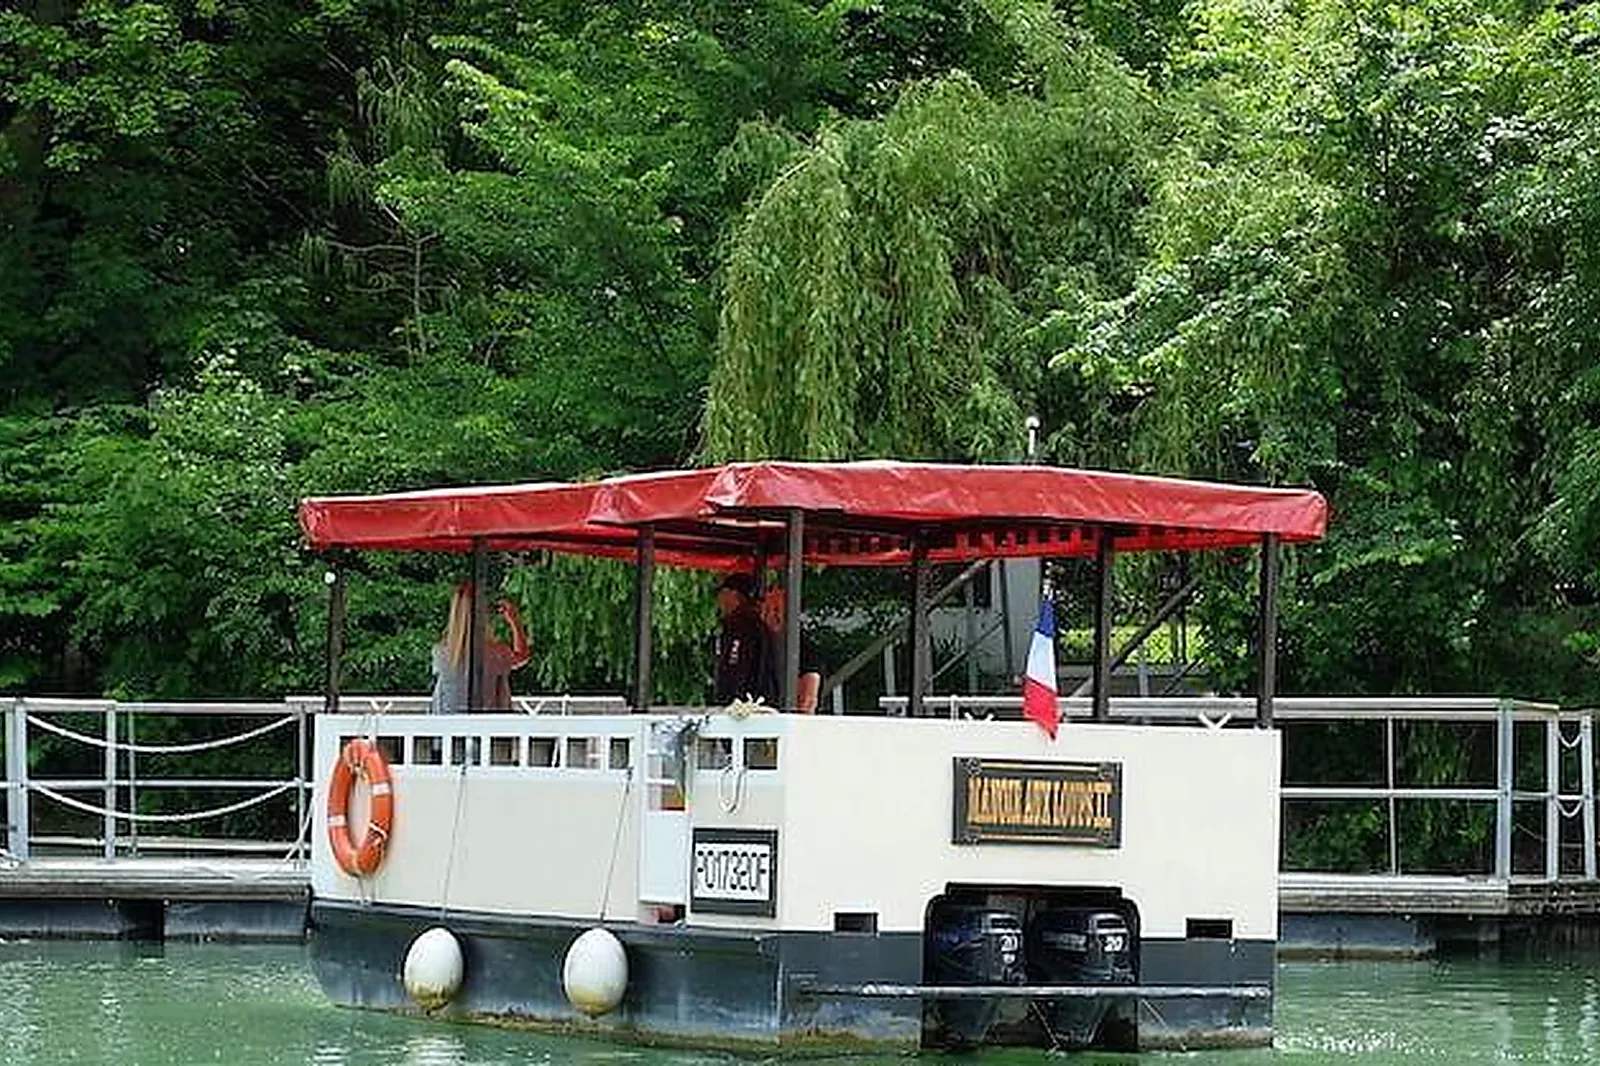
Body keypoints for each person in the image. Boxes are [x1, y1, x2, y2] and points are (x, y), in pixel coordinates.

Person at [431, 583, 530, 713]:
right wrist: (515, 622)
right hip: (488, 723)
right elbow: (523, 656)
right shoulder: (496, 653)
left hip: (447, 723)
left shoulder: (440, 653)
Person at [712, 572, 778, 707]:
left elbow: (735, 667)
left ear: (733, 594)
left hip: (744, 709)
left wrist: (730, 701)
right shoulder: (755, 625)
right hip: (757, 703)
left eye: (722, 593)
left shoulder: (741, 626)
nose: (719, 599)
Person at [760, 585, 824, 713]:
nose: (770, 616)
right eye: (766, 609)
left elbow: (807, 702)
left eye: (777, 610)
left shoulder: (804, 650)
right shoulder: (761, 645)